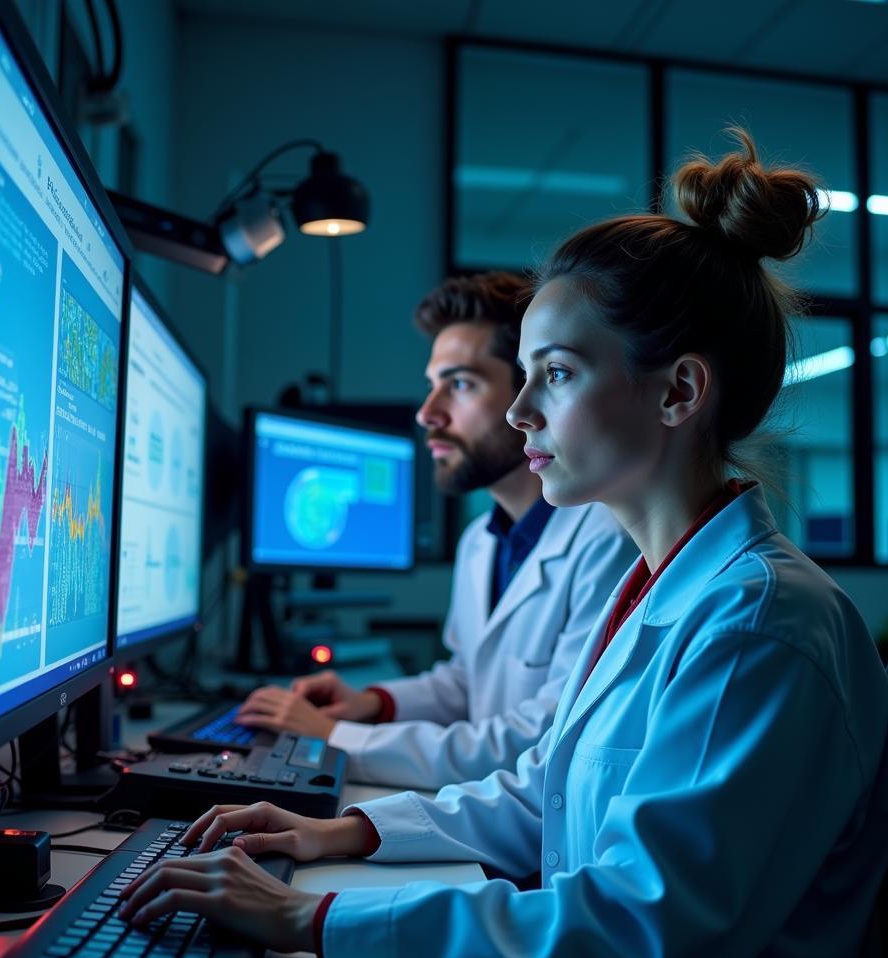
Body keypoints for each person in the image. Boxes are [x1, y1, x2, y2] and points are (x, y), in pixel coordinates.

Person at [119, 131, 888, 958]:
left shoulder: (761, 625)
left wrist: (307, 914)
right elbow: (545, 791)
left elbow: (633, 933)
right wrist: (339, 830)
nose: (521, 410)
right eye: (522, 376)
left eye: (555, 374)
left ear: (679, 393)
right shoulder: (657, 583)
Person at [236, 271, 635, 789]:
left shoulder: (608, 539)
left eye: (461, 384)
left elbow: (543, 737)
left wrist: (335, 737)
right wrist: (375, 704)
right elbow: (467, 680)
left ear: (529, 394)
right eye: (432, 386)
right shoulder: (479, 543)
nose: (428, 414)